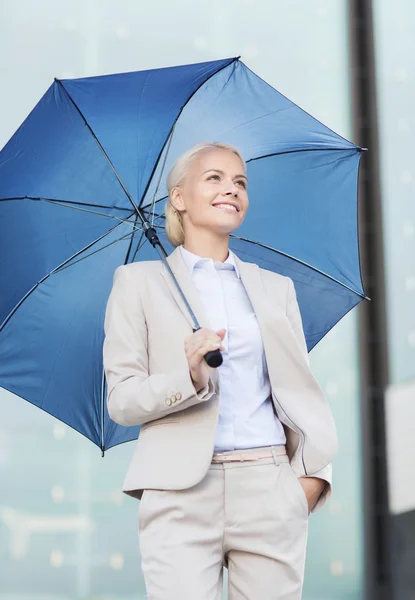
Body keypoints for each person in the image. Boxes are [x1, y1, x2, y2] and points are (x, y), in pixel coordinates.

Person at [102, 141, 338, 600]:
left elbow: (298, 392)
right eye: (214, 178)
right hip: (180, 493)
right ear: (179, 197)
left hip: (270, 486)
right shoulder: (138, 283)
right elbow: (122, 400)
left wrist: (310, 479)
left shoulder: (276, 288)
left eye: (240, 182)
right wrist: (188, 377)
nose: (232, 189)